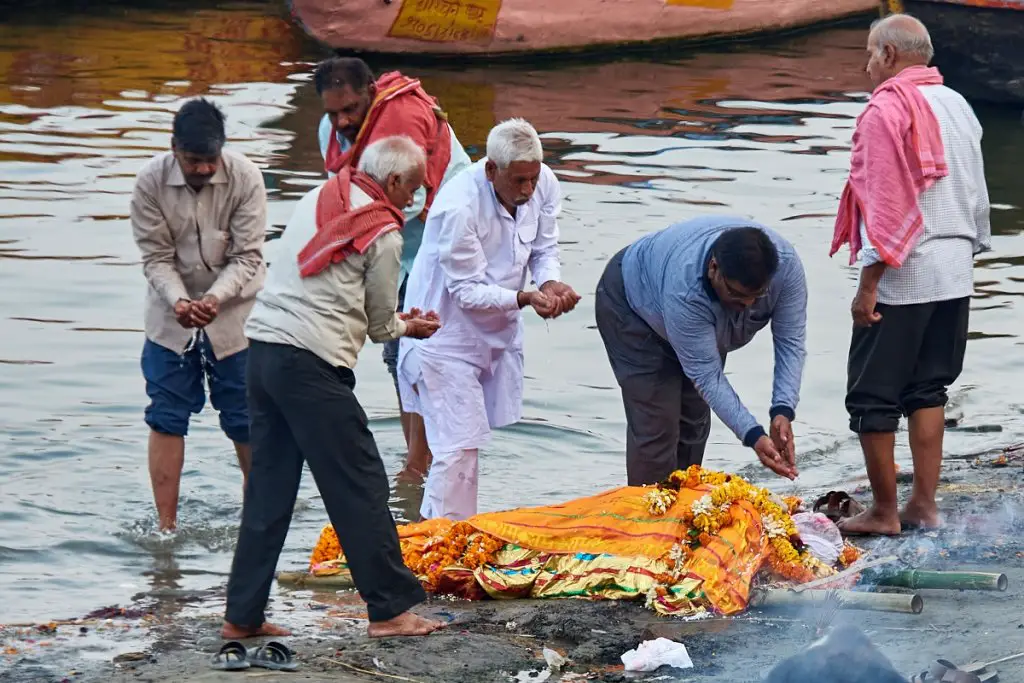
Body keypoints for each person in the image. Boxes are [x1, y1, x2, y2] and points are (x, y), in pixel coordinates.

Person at [222, 135, 445, 640]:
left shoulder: (323, 194)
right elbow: (382, 326)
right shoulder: (383, 232)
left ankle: (243, 615)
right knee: (359, 483)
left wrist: (391, 319)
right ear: (391, 182)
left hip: (262, 351)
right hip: (310, 365)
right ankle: (390, 611)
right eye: (412, 188)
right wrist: (413, 325)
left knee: (269, 489)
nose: (414, 200)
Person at [829, 14, 990, 535]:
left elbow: (885, 204)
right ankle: (923, 504)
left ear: (891, 56)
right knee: (928, 389)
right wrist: (969, 256)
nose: (867, 64)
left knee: (871, 397)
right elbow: (978, 195)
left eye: (871, 53)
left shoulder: (887, 108)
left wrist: (868, 284)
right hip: (956, 265)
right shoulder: (958, 104)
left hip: (906, 269)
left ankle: (883, 512)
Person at [397, 118, 580, 521]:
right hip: (441, 335)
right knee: (457, 447)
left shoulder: (543, 182)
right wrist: (526, 297)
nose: (528, 190)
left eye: (532, 178)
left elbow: (543, 246)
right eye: (519, 181)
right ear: (491, 170)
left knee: (466, 445)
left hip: (494, 331)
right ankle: (436, 541)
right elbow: (465, 292)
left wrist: (550, 282)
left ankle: (438, 531)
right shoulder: (457, 207)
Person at [314, 56, 472, 483]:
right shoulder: (331, 132)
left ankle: (419, 465)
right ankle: (418, 458)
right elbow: (344, 198)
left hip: (440, 233)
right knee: (396, 354)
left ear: (370, 94)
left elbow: (410, 204)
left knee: (418, 350)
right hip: (393, 246)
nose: (343, 120)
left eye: (350, 109)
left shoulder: (400, 124)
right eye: (333, 112)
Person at [130, 97, 266, 532]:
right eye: (194, 161)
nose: (205, 168)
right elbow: (155, 258)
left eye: (211, 160)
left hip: (236, 317)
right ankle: (166, 528)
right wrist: (180, 302)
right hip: (170, 319)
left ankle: (258, 519)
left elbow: (248, 257)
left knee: (245, 417)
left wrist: (214, 300)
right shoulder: (149, 181)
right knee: (166, 414)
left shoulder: (245, 177)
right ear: (174, 149)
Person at [595, 216, 807, 486]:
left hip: (688, 314)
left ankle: (684, 508)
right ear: (713, 268)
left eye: (758, 296)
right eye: (738, 296)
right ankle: (648, 518)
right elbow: (707, 377)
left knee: (693, 422)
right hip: (633, 309)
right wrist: (753, 435)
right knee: (658, 427)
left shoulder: (786, 268)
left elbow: (791, 341)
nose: (748, 305)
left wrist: (783, 409)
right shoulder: (685, 289)